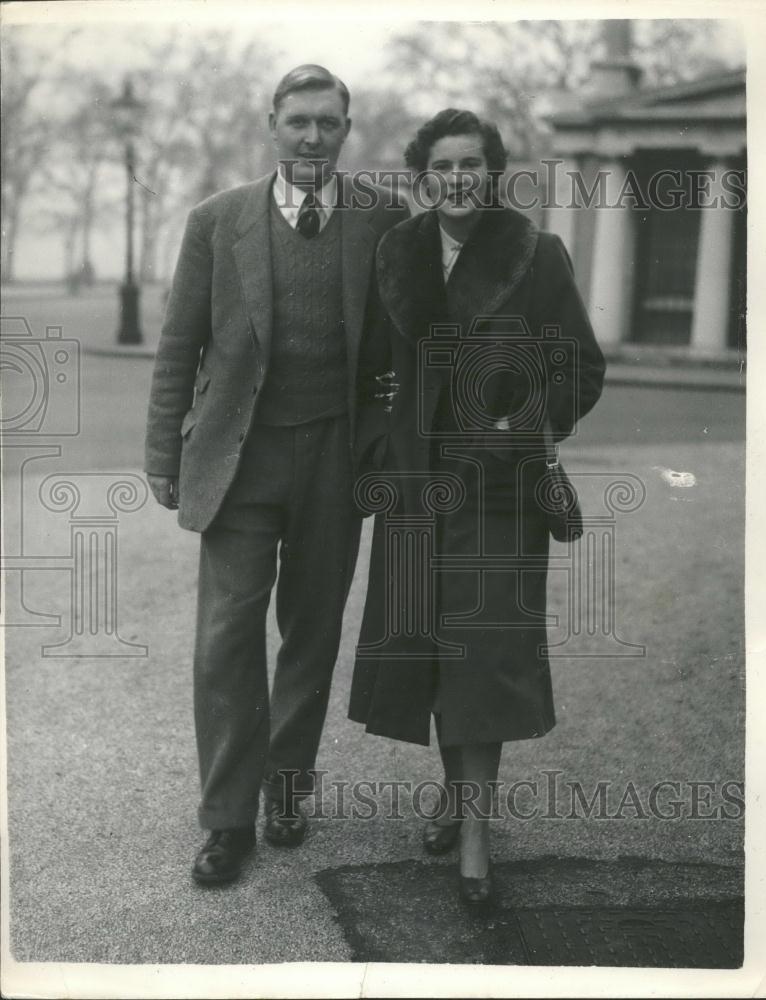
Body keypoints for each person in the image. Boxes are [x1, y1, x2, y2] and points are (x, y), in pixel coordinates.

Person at [144, 65, 408, 885]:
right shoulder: (216, 221)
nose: (311, 138)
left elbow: (398, 348)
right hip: (239, 457)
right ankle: (227, 820)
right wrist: (162, 455)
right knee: (226, 639)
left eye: (328, 124)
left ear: (345, 130)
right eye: (297, 121)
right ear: (271, 124)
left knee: (312, 630)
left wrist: (387, 437)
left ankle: (286, 789)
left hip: (335, 455)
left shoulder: (382, 218)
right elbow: (179, 346)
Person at [349, 109, 606, 907]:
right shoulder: (397, 251)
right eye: (442, 165)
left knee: (485, 659)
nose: (457, 178)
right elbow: (371, 367)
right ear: (422, 175)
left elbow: (579, 371)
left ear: (492, 173)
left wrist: (517, 417)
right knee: (429, 648)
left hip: (499, 492)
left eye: (472, 164)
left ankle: (474, 835)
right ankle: (456, 797)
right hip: (418, 488)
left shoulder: (536, 254)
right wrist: (387, 423)